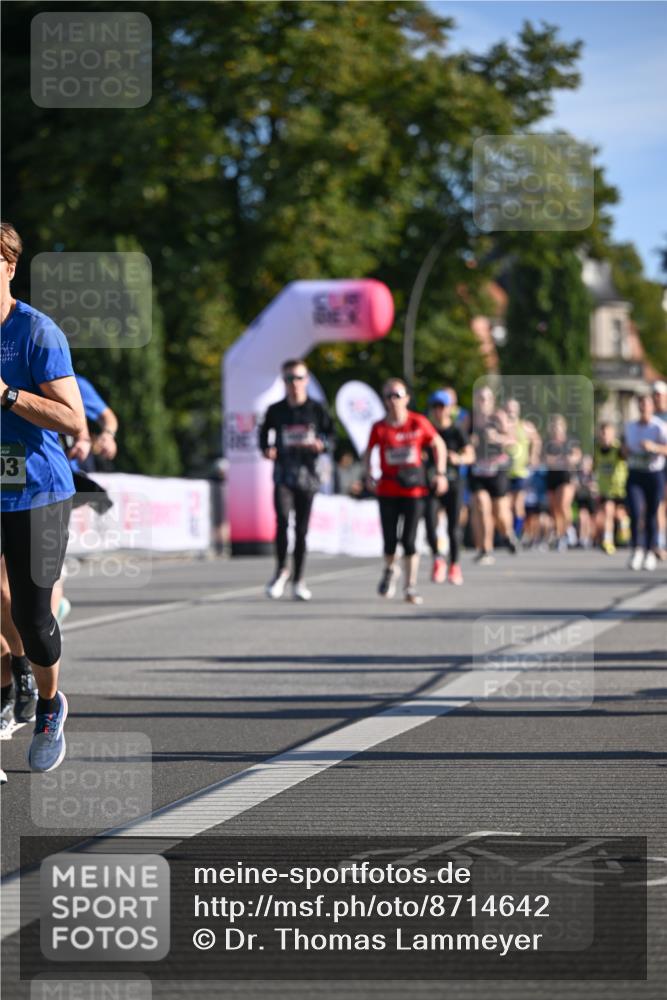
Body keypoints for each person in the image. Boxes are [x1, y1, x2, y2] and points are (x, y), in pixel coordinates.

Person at [0, 221, 85, 772]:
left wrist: (6, 394)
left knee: (33, 617)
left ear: (7, 266)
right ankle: (13, 682)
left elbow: (73, 419)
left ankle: (50, 702)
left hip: (37, 490)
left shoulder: (35, 331)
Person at [363, 378, 447, 605]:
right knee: (390, 540)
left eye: (397, 395)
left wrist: (440, 473)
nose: (392, 401)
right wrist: (368, 473)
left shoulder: (418, 423)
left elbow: (438, 444)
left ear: (406, 399)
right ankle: (390, 569)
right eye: (388, 396)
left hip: (414, 490)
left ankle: (410, 586)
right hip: (388, 489)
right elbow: (368, 451)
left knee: (409, 540)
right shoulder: (379, 427)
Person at [259, 359, 333, 601]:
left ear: (306, 381)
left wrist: (322, 445)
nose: (295, 384)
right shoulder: (275, 410)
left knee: (301, 530)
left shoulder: (316, 409)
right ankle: (281, 570)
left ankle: (299, 579)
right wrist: (267, 449)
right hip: (283, 473)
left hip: (308, 475)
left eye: (299, 378)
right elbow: (263, 436)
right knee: (281, 520)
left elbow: (331, 436)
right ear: (284, 382)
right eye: (289, 379)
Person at [424, 390, 474, 585]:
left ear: (449, 409)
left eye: (441, 407)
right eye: (434, 407)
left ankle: (454, 565)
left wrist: (459, 458)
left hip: (453, 483)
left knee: (453, 527)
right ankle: (438, 559)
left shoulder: (457, 430)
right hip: (431, 483)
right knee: (430, 524)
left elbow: (471, 455)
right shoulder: (427, 430)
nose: (438, 411)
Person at [469, 386, 517, 565]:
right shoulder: (470, 418)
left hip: (497, 468)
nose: (482, 402)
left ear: (492, 401)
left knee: (500, 513)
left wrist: (497, 437)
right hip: (478, 470)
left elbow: (513, 441)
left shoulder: (499, 417)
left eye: (486, 398)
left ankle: (508, 534)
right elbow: (462, 440)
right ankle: (485, 549)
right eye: (480, 398)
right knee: (481, 506)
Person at [622, 393, 667, 571]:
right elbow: (624, 448)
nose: (643, 408)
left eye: (646, 405)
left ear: (651, 407)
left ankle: (650, 551)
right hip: (635, 473)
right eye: (640, 405)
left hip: (653, 473)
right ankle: (637, 549)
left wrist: (653, 447)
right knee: (634, 510)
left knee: (651, 513)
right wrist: (625, 451)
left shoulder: (659, 426)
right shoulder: (630, 427)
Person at [544, 414, 582, 551]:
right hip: (552, 476)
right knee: (555, 509)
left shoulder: (570, 441)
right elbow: (545, 459)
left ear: (563, 427)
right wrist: (558, 460)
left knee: (563, 504)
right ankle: (561, 535)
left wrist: (569, 459)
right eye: (553, 427)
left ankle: (570, 528)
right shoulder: (548, 443)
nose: (555, 429)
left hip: (566, 476)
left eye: (558, 426)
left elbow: (577, 456)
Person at [505, 398, 541, 541]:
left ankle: (517, 532)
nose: (510, 412)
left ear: (518, 411)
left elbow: (537, 440)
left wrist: (533, 456)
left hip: (520, 471)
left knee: (518, 503)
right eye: (508, 409)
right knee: (505, 504)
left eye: (513, 409)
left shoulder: (525, 426)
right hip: (504, 471)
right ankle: (507, 533)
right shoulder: (502, 425)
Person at [594, 422, 628, 554]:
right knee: (607, 512)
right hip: (606, 488)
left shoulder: (618, 448)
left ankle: (624, 524)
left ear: (613, 434)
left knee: (619, 515)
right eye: (602, 433)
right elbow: (594, 465)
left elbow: (625, 457)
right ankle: (608, 541)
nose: (605, 436)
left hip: (620, 488)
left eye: (607, 433)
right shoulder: (596, 449)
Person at [651, 380, 667, 559]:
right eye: (654, 394)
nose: (657, 398)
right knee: (659, 505)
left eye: (660, 395)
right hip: (657, 467)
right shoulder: (651, 417)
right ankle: (660, 543)